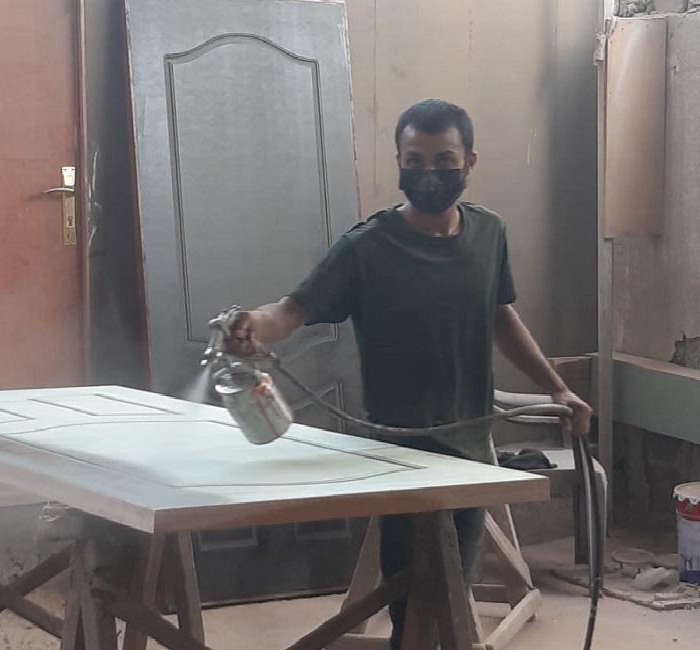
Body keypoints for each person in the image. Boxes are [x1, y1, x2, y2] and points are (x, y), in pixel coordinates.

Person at [225, 98, 593, 649]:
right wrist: (252, 325)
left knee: (452, 591)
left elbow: (499, 315)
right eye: (415, 160)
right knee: (414, 605)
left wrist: (557, 388)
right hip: (398, 455)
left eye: (444, 160)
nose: (429, 173)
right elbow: (291, 310)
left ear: (469, 162)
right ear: (398, 161)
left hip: (471, 447)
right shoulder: (366, 248)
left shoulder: (489, 234)